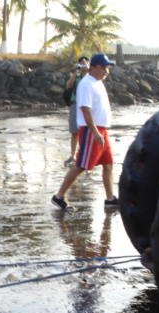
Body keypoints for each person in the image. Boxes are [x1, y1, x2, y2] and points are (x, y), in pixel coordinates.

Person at [51, 53, 119, 211]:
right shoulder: (86, 84)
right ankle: (58, 196)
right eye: (103, 67)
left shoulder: (97, 82)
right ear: (94, 67)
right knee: (81, 165)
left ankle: (110, 198)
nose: (106, 70)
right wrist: (95, 132)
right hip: (91, 130)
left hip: (102, 129)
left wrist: (100, 131)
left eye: (107, 67)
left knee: (108, 164)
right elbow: (85, 109)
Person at [65, 56, 90, 166]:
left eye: (85, 63)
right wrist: (76, 72)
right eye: (81, 63)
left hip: (88, 105)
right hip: (76, 104)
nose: (83, 65)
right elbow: (69, 85)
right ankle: (73, 155)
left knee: (86, 131)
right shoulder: (77, 75)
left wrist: (88, 69)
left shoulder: (91, 76)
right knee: (74, 131)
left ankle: (84, 154)